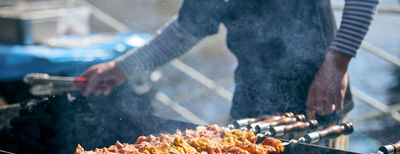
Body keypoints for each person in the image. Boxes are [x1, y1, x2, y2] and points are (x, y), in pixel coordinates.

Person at [78, 0, 379, 127]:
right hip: (250, 105)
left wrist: (338, 63)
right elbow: (185, 31)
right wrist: (121, 68)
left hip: (318, 100)